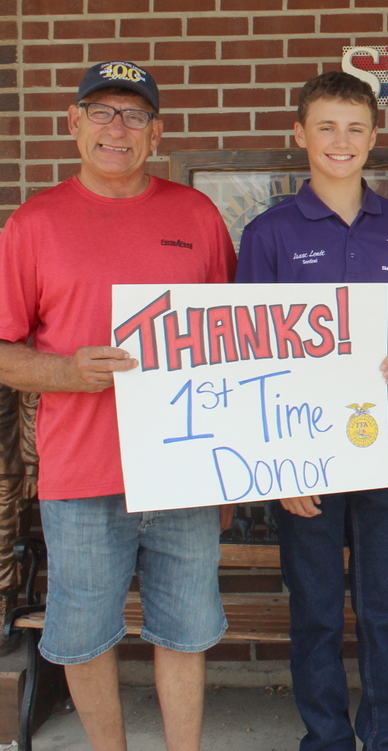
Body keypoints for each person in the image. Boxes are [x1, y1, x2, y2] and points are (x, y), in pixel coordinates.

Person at [0, 61, 234, 751]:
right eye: (101, 111)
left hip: (185, 466)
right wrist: (66, 369)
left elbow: (235, 342)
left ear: (156, 133)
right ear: (72, 123)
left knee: (187, 627)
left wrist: (230, 467)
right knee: (84, 632)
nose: (117, 127)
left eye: (134, 115)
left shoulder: (196, 215)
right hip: (80, 470)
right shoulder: (33, 224)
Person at [234, 71, 388, 751]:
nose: (340, 142)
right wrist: (278, 467)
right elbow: (249, 361)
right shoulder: (268, 233)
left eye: (354, 128)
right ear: (300, 135)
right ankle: (324, 739)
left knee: (383, 614)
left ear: (375, 136)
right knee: (315, 613)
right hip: (303, 461)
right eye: (325, 127)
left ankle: (387, 739)